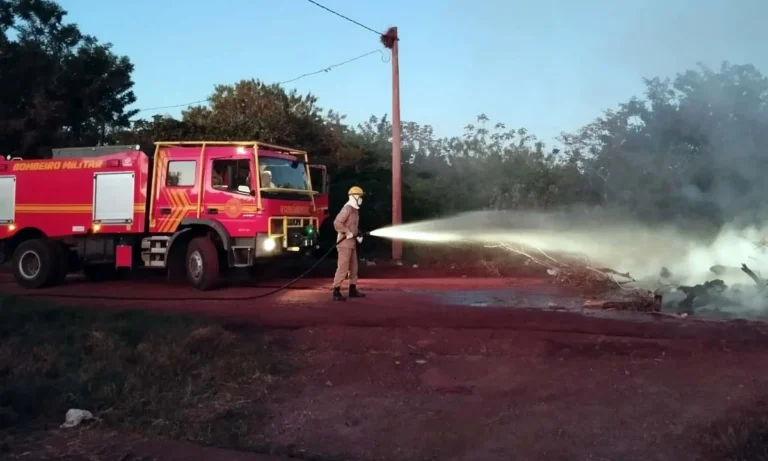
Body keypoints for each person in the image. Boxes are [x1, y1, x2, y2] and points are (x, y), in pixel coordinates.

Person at [332, 186, 366, 301]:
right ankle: (336, 291)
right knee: (343, 267)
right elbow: (337, 223)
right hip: (344, 244)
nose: (361, 199)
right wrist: (347, 232)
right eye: (360, 196)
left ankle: (352, 289)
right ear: (354, 197)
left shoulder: (355, 210)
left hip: (352, 244)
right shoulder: (347, 209)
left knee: (354, 268)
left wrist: (358, 234)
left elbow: (353, 226)